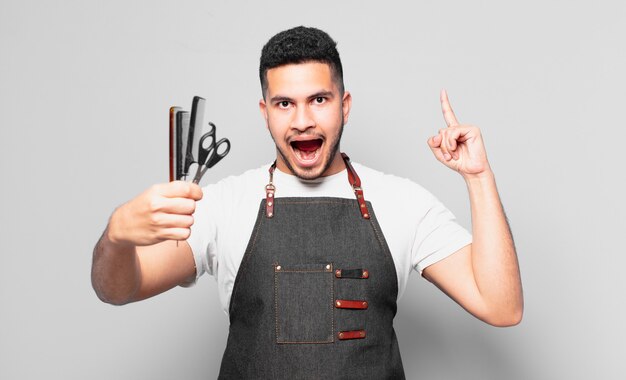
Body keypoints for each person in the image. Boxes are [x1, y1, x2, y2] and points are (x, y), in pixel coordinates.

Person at [92, 26, 523, 379]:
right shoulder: (223, 204)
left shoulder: (400, 202)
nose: (302, 121)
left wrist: (479, 178)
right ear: (265, 112)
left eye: (319, 99)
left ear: (344, 105)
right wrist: (116, 237)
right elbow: (119, 288)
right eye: (285, 104)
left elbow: (502, 306)